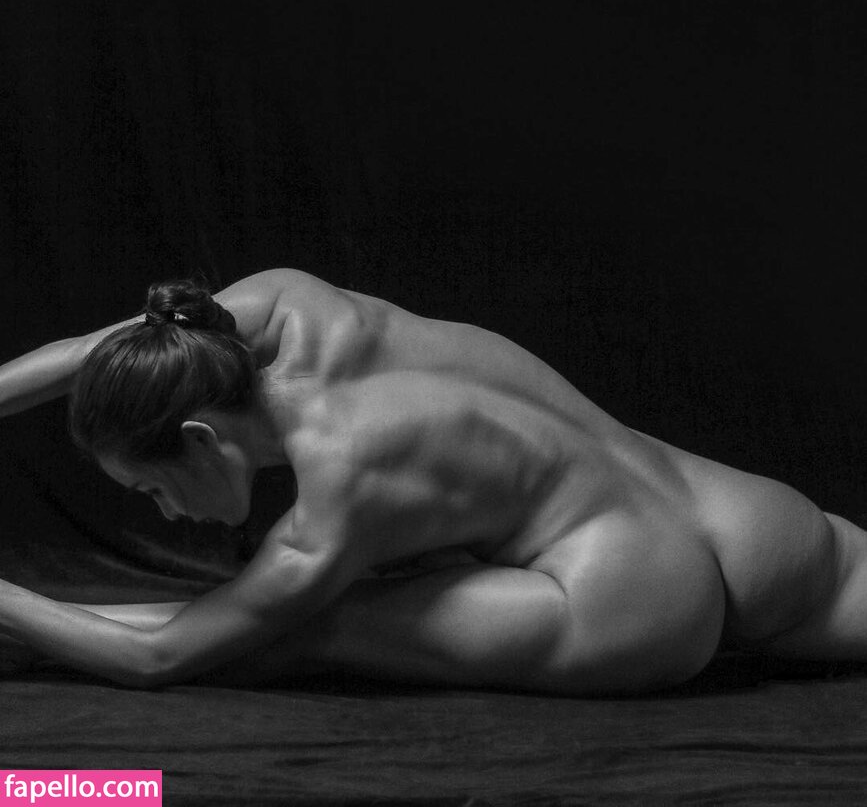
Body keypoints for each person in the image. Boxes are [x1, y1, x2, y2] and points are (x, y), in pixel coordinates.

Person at [0, 269, 865, 695]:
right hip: (746, 517)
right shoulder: (284, 304)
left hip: (625, 606)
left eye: (153, 491)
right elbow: (84, 354)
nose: (165, 511)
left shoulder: (341, 490)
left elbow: (161, 657)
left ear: (200, 438)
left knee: (303, 625)